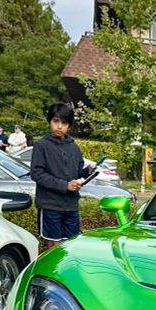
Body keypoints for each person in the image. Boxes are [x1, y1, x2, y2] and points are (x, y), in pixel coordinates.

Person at [30, 103, 95, 250]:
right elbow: (37, 173)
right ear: (49, 122)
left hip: (71, 205)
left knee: (71, 246)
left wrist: (89, 171)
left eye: (64, 123)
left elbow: (77, 172)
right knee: (54, 246)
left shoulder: (74, 146)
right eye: (56, 121)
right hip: (50, 205)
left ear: (69, 126)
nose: (59, 127)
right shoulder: (41, 145)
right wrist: (64, 185)